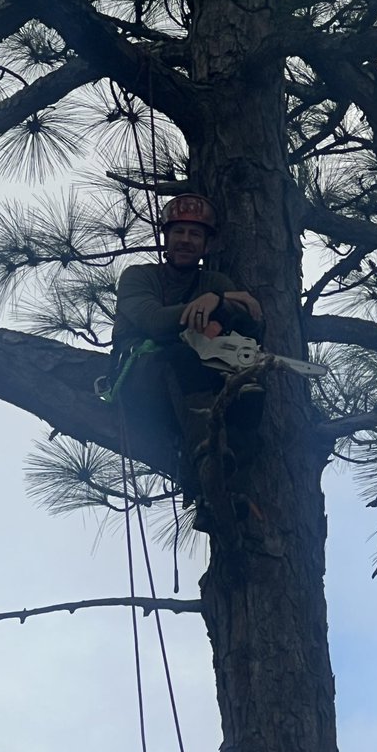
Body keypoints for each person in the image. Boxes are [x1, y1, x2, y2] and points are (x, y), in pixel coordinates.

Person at [111, 195, 265, 527]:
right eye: (178, 232)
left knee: (249, 393)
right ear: (166, 238)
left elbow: (251, 324)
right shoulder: (138, 277)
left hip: (197, 382)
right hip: (142, 377)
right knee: (181, 357)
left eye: (194, 234)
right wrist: (216, 303)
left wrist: (219, 299)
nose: (185, 240)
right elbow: (153, 321)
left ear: (206, 244)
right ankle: (208, 460)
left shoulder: (214, 284)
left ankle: (225, 493)